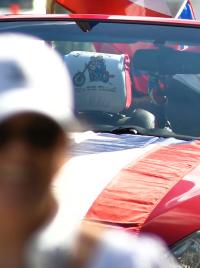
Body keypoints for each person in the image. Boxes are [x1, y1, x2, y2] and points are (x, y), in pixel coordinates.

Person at [0, 34, 177, 267]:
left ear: (64, 143)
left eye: (39, 135)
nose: (19, 152)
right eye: (3, 134)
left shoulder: (130, 262)